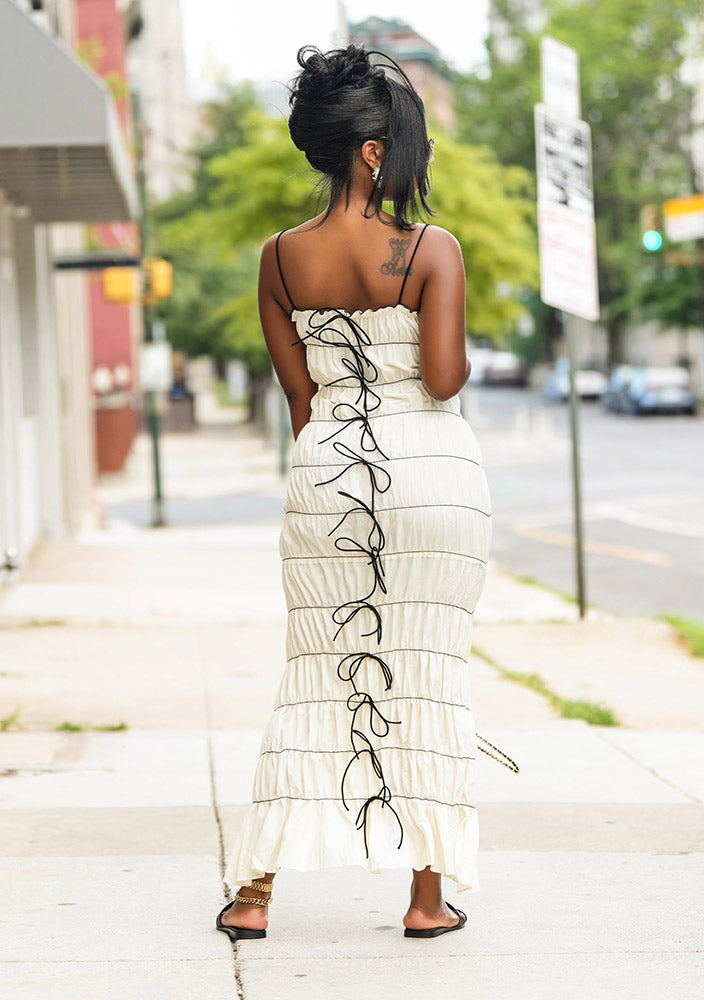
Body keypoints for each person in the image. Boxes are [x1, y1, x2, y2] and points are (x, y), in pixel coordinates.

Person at [217, 43, 493, 941]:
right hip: (433, 478)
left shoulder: (279, 259)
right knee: (428, 673)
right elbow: (443, 379)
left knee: (311, 674)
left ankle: (254, 894)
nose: (417, 158)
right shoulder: (430, 250)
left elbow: (301, 401)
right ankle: (425, 900)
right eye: (409, 143)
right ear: (375, 151)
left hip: (325, 473)